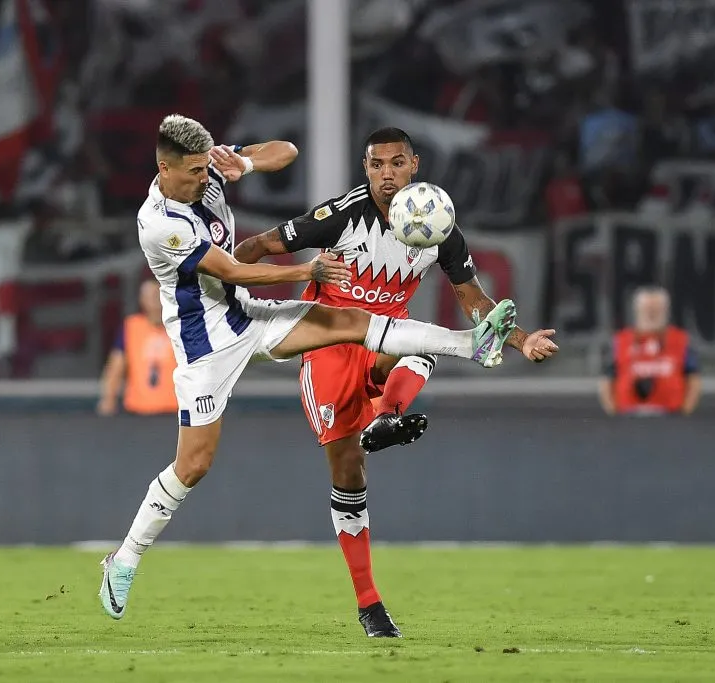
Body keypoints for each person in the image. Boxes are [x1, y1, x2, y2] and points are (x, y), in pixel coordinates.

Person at [98, 115, 521, 630]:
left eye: (206, 168)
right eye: (193, 173)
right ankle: (124, 558)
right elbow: (232, 269)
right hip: (204, 344)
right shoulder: (159, 223)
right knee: (194, 465)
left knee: (353, 321)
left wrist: (244, 163)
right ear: (164, 169)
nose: (203, 179)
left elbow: (287, 150)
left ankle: (471, 345)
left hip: (249, 316)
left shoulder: (207, 168)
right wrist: (306, 270)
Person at [233, 127, 559, 637]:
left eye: (397, 163)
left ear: (415, 165)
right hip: (327, 342)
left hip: (387, 338)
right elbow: (256, 245)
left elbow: (474, 300)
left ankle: (388, 415)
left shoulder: (439, 224)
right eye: (377, 164)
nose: (387, 173)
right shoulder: (342, 215)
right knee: (348, 472)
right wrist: (223, 300)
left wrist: (520, 340)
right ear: (366, 169)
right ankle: (369, 603)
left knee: (421, 341)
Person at [599, 286, 701, 416]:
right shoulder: (619, 341)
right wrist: (612, 412)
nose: (651, 314)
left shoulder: (682, 341)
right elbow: (607, 380)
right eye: (647, 309)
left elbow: (693, 379)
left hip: (671, 415)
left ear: (666, 311)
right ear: (637, 310)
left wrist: (686, 411)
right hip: (628, 415)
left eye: (657, 309)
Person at [97, 279, 177, 416]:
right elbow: (116, 366)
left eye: (158, 295)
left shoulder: (180, 326)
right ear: (142, 300)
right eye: (150, 297)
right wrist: (108, 399)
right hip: (138, 410)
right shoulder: (131, 326)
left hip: (176, 410)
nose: (155, 301)